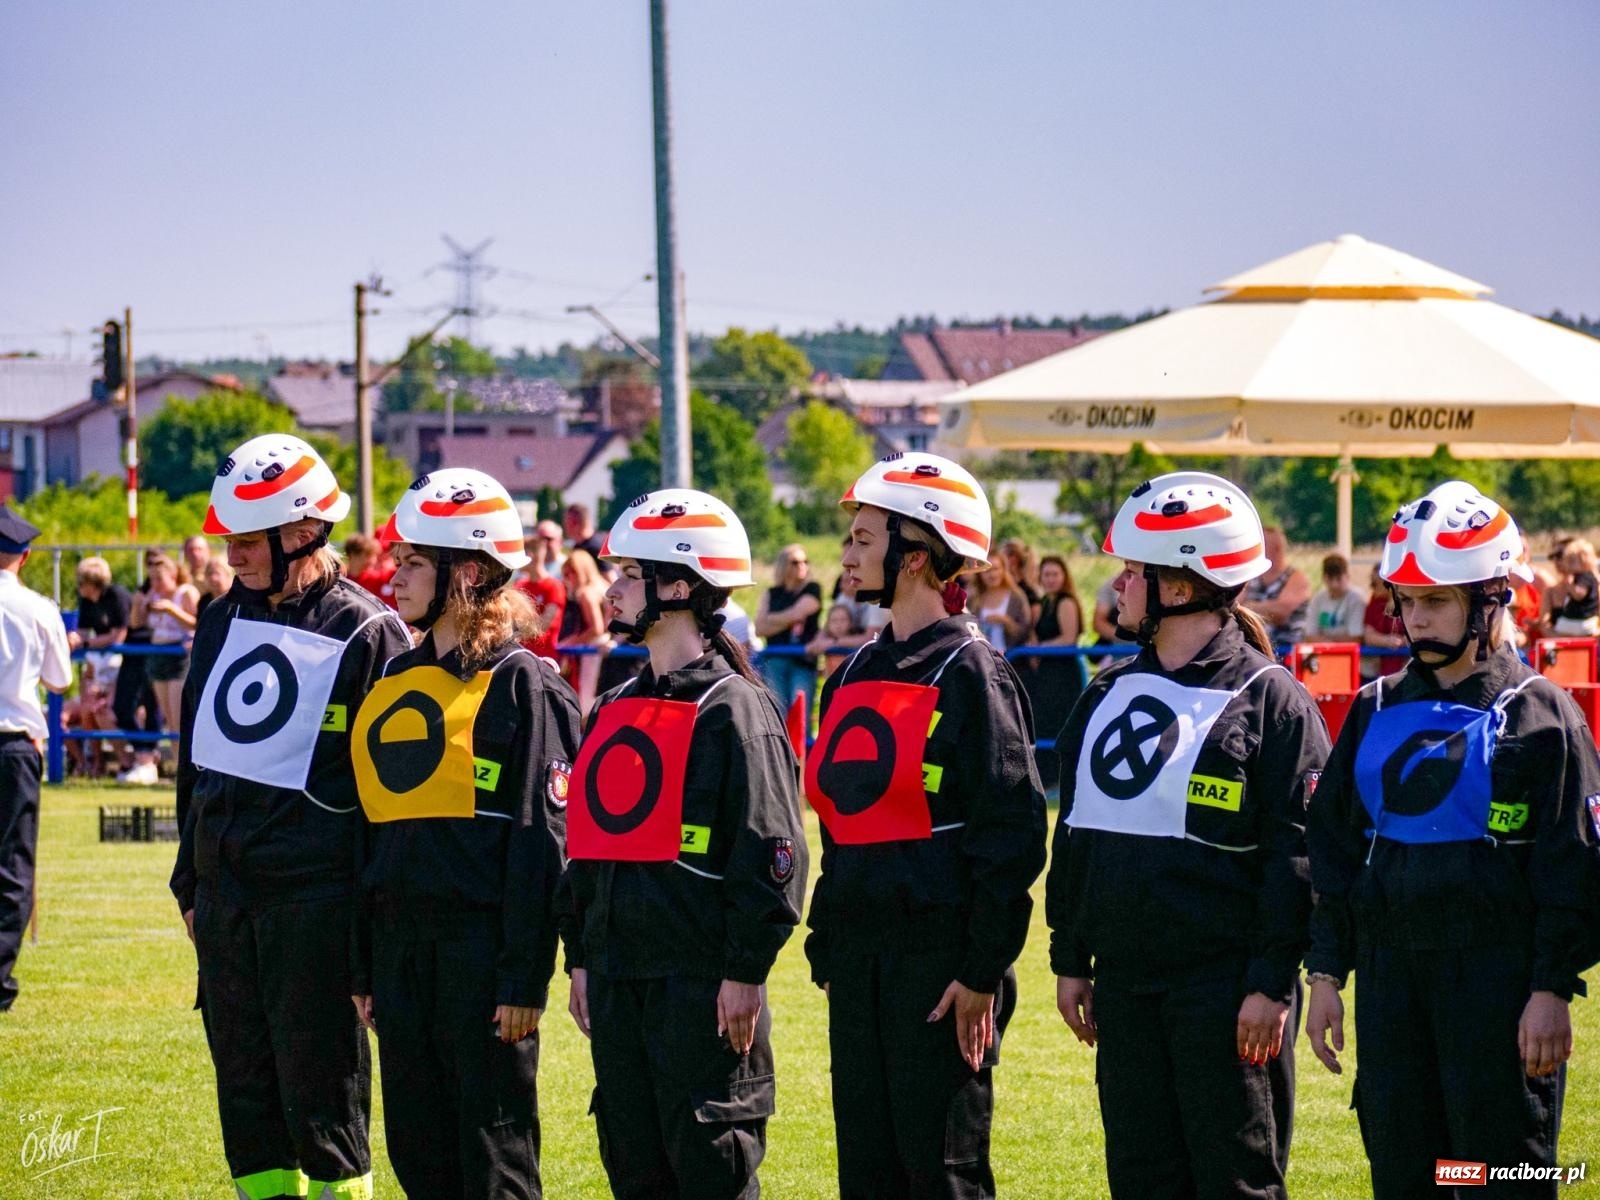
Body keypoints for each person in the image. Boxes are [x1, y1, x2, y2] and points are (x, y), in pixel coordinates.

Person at [1303, 480, 1600, 1199]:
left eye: (1434, 600)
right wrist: (1325, 976)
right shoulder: (1372, 708)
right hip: (1391, 988)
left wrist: (1550, 987)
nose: (1415, 619)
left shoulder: (1543, 714)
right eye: (1405, 601)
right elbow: (1334, 852)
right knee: (1411, 1177)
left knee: (1498, 1177)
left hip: (1499, 991)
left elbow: (1577, 865)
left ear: (1491, 599)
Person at [1048, 471, 1329, 1200]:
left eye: (1132, 571)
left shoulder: (1272, 700)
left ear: (1180, 585)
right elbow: (1076, 837)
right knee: (1141, 1182)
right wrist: (1070, 956)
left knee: (1234, 1183)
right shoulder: (1105, 692)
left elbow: (1299, 858)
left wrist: (1270, 984)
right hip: (1126, 991)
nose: (1117, 586)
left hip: (1227, 996)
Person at [171, 434, 411, 1200]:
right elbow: (196, 759)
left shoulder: (368, 631)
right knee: (246, 1096)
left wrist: (370, 918)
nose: (232, 553)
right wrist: (189, 880)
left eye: (248, 538)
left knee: (323, 1094)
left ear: (304, 531)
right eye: (228, 538)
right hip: (225, 901)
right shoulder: (218, 618)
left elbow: (388, 799)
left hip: (316, 905)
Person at [805, 452, 1047, 1200]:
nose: (846, 554)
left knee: (941, 1175)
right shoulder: (850, 673)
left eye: (864, 538)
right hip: (860, 967)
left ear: (915, 556)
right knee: (867, 1177)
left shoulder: (975, 672)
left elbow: (1012, 838)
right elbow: (840, 831)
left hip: (940, 973)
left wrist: (980, 973)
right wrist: (829, 944)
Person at [560, 488, 808, 1200]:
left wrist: (745, 970)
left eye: (629, 575)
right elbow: (587, 852)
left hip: (699, 992)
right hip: (619, 987)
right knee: (635, 1172)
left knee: (709, 1170)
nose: (612, 590)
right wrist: (582, 957)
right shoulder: (612, 706)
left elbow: (772, 853)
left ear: (677, 587)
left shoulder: (736, 708)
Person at [351, 469, 581, 1199]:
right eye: (397, 560)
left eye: (414, 562)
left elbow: (542, 844)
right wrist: (365, 966)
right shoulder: (393, 678)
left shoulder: (525, 683)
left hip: (481, 962)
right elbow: (370, 835)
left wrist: (523, 978)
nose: (394, 577)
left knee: (492, 1158)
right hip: (400, 958)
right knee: (418, 1154)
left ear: (469, 572)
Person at [0, 506, 71, 1011]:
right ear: (24, 557)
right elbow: (59, 681)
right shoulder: (39, 609)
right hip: (14, 745)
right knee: (12, 865)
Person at [1025, 555, 1086, 788]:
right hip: (1046, 672)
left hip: (1063, 673)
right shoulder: (1045, 602)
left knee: (1060, 722)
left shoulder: (1066, 602)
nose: (1050, 579)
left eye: (1055, 574)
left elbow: (1068, 638)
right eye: (1046, 574)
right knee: (1044, 722)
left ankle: (1062, 779)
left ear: (1064, 576)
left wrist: (1040, 648)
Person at [142, 551, 199, 769]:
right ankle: (177, 767)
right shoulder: (154, 596)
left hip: (179, 657)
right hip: (159, 656)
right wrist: (141, 603)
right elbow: (136, 622)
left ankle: (187, 768)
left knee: (179, 719)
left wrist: (171, 610)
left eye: (159, 579)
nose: (155, 584)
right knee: (169, 720)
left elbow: (197, 622)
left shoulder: (185, 593)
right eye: (151, 579)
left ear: (173, 576)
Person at [754, 544, 823, 723]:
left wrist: (770, 618)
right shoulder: (772, 593)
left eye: (805, 561)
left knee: (800, 715)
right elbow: (759, 629)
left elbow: (798, 614)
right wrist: (788, 619)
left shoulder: (812, 588)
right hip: (774, 660)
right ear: (784, 564)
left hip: (803, 661)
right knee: (777, 714)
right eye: (795, 562)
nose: (802, 565)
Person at [560, 549, 610, 714]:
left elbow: (596, 629)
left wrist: (572, 642)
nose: (568, 578)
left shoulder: (586, 593)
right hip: (607, 647)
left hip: (594, 650)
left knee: (587, 701)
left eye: (571, 573)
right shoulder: (603, 586)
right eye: (565, 574)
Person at [1243, 525, 1310, 649]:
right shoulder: (1251, 578)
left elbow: (1280, 612)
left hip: (1287, 649)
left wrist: (1248, 607)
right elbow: (1235, 607)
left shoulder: (1296, 578)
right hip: (1256, 647)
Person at [515, 532, 566, 661]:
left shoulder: (554, 586)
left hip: (544, 659)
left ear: (530, 556)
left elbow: (544, 623)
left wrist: (516, 634)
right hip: (520, 656)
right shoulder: (520, 585)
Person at [967, 552, 1031, 653]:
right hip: (982, 656)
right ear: (979, 573)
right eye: (987, 570)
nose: (992, 575)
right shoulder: (973, 599)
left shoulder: (1016, 596)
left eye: (996, 569)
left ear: (1003, 570)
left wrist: (1007, 622)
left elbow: (1026, 632)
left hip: (1011, 657)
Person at [1361, 564, 1408, 681]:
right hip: (1380, 670)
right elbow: (1368, 635)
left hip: (1406, 667)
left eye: (1375, 583)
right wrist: (1387, 641)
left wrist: (1402, 641)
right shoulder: (1375, 602)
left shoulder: (1407, 601)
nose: (1371, 587)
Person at [1305, 552, 1366, 642]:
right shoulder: (1318, 599)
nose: (1334, 585)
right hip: (1324, 647)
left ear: (1347, 576)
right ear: (1323, 578)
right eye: (1330, 579)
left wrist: (1327, 642)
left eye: (1339, 579)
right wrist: (1329, 644)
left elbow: (1356, 637)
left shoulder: (1356, 598)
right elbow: (1310, 635)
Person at [1549, 537, 1598, 636]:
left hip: (1583, 620)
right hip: (1582, 621)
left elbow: (1579, 594)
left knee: (1561, 625)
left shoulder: (1584, 577)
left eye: (1571, 561)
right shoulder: (1583, 577)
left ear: (1584, 560)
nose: (1567, 565)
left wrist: (1570, 585)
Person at [343, 532, 397, 609]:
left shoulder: (377, 579)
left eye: (374, 556)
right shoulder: (339, 578)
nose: (372, 561)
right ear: (353, 554)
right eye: (367, 555)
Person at [196, 556, 235, 623]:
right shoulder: (204, 600)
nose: (213, 578)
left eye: (217, 573)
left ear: (228, 576)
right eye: (209, 574)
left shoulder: (236, 601)